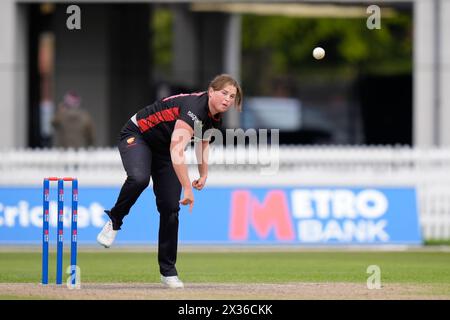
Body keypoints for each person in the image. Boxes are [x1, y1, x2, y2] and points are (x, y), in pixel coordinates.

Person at [96, 74, 243, 288]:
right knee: (139, 179)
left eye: (232, 96)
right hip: (139, 135)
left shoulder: (214, 117)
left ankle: (168, 272)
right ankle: (115, 220)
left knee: (170, 208)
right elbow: (177, 149)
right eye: (224, 93)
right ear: (211, 91)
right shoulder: (195, 108)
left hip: (164, 150)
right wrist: (187, 188)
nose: (228, 99)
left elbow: (202, 143)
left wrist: (203, 174)